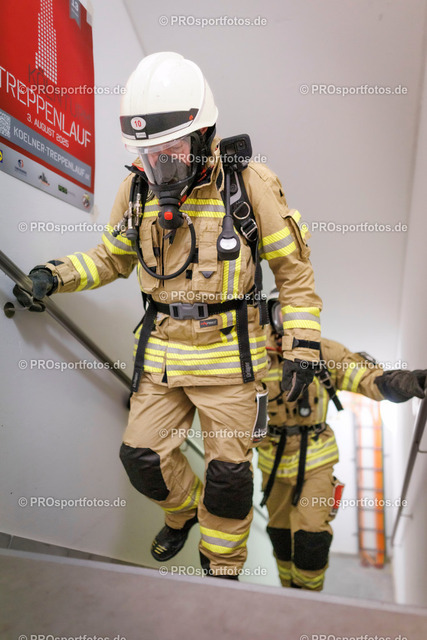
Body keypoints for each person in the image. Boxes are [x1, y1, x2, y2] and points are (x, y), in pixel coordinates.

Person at [14, 52, 323, 579]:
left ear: (204, 135)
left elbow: (293, 274)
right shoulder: (136, 190)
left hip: (231, 363)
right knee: (141, 458)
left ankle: (221, 571)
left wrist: (302, 346)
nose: (160, 163)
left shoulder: (250, 185)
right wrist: (55, 275)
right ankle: (182, 513)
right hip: (162, 357)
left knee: (228, 481)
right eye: (149, 152)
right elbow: (111, 258)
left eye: (172, 149)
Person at [259, 290, 427, 590]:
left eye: (300, 313)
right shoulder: (253, 354)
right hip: (272, 461)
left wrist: (400, 383)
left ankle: (309, 598)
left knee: (312, 538)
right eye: (284, 312)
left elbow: (367, 379)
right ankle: (288, 595)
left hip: (316, 458)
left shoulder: (325, 353)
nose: (292, 320)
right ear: (271, 315)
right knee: (281, 536)